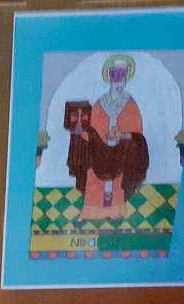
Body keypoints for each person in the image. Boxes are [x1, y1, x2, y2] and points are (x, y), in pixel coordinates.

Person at [65, 55, 149, 221]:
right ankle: (91, 213)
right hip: (99, 152)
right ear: (109, 77)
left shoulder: (130, 103)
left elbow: (137, 133)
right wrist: (80, 133)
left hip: (120, 152)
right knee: (93, 177)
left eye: (122, 76)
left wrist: (121, 135)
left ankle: (116, 213)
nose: (118, 80)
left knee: (117, 181)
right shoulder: (100, 103)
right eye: (115, 75)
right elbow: (91, 128)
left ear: (126, 79)